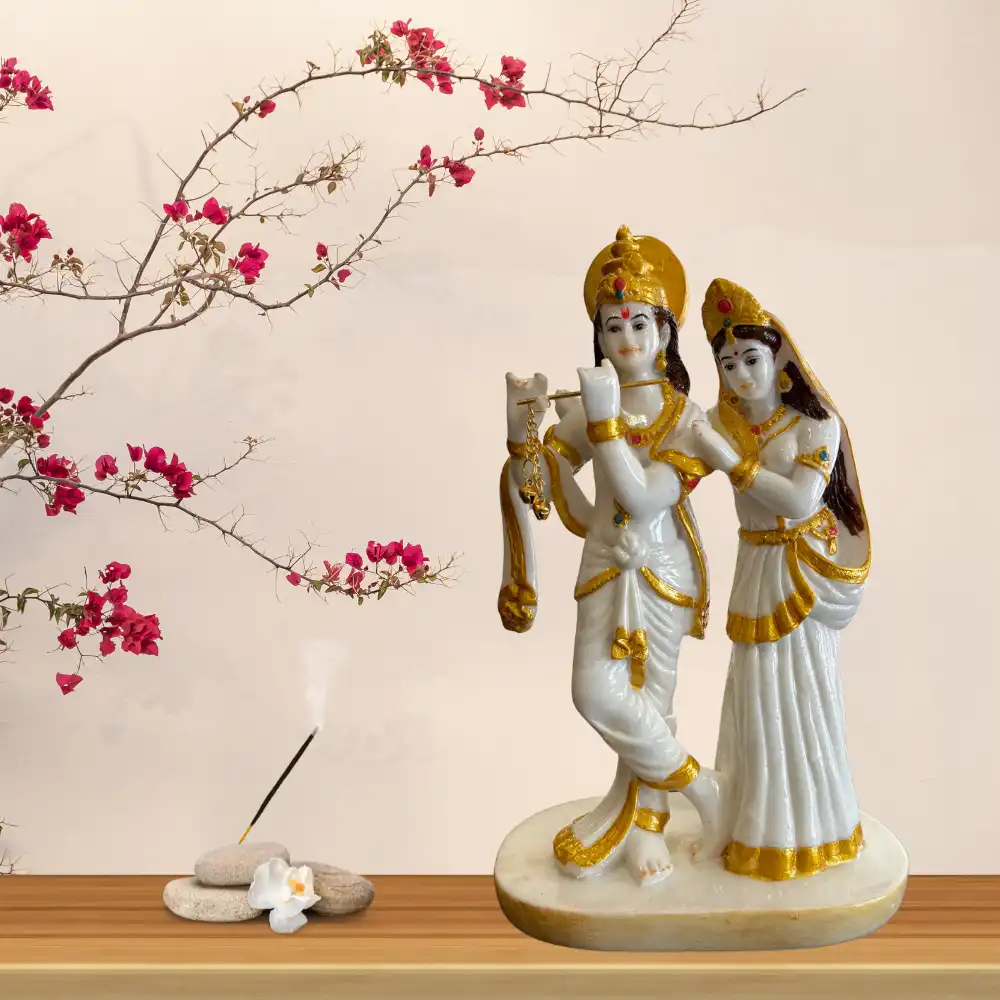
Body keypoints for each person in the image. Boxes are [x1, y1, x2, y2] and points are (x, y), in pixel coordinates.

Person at [500, 226, 719, 885]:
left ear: (666, 333)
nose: (626, 339)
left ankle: (644, 825)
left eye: (640, 324)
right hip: (603, 562)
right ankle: (701, 788)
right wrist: (522, 437)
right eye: (613, 325)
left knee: (652, 699)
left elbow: (645, 497)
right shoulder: (593, 405)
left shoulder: (687, 417)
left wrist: (603, 422)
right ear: (598, 333)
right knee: (596, 691)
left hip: (662, 569)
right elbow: (550, 490)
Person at [688, 277, 871, 880]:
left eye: (751, 358)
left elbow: (798, 500)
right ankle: (754, 822)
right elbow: (672, 463)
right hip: (755, 564)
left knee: (802, 691)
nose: (741, 374)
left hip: (801, 571)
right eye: (728, 364)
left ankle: (814, 827)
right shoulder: (721, 422)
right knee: (754, 693)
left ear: (779, 358)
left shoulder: (815, 426)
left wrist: (729, 461)